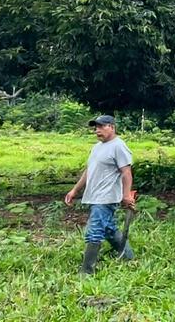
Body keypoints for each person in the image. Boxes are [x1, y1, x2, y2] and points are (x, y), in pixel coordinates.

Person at [64, 115, 136, 274]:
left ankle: (87, 271)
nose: (97, 130)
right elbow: (89, 171)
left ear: (111, 127)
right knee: (108, 228)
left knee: (94, 230)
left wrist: (126, 195)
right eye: (95, 127)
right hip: (94, 195)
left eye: (101, 127)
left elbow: (126, 172)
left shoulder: (118, 146)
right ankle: (128, 256)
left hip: (107, 196)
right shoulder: (97, 147)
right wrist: (75, 190)